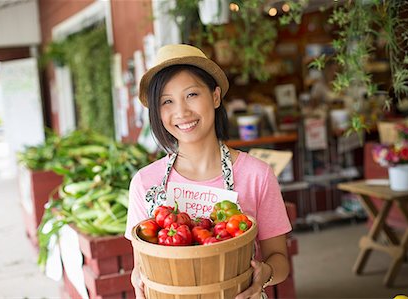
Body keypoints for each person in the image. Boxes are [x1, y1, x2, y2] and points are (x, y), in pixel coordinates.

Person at [124, 44, 291, 299]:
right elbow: (141, 265)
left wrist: (264, 274)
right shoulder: (145, 183)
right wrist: (139, 278)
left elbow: (279, 262)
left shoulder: (257, 174)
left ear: (215, 96)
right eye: (167, 101)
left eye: (191, 95)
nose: (181, 111)